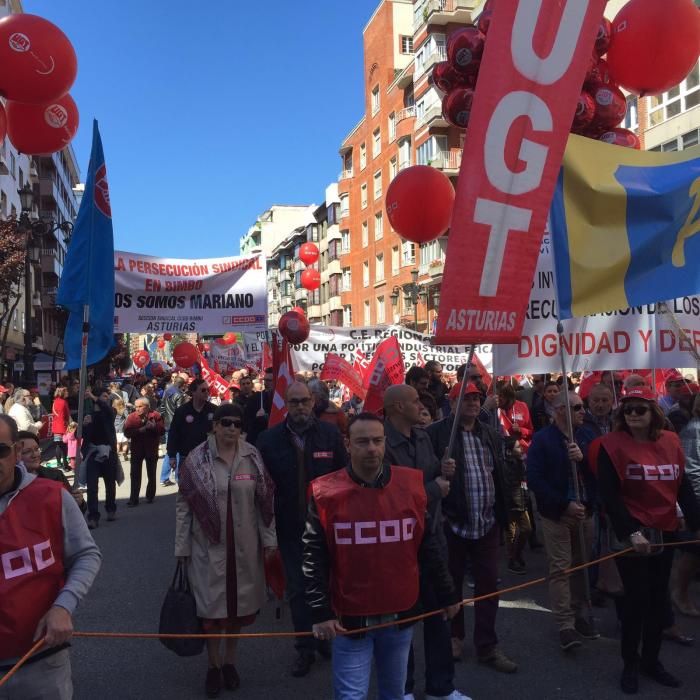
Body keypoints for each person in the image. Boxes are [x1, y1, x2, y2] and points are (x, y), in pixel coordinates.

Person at [303, 412, 461, 700]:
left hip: (398, 614)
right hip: (349, 618)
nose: (372, 448)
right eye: (362, 441)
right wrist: (320, 613)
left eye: (377, 440)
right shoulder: (325, 491)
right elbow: (314, 556)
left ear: (386, 443)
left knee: (395, 693)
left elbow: (428, 547)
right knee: (351, 696)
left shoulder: (410, 486)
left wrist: (447, 594)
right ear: (347, 444)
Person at [597, 387, 700, 693]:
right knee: (636, 602)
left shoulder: (670, 441)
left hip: (664, 530)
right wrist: (631, 532)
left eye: (639, 409)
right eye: (627, 409)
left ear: (652, 412)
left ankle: (651, 661)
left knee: (658, 600)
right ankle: (630, 662)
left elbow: (682, 486)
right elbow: (610, 496)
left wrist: (696, 524)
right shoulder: (611, 445)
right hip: (634, 535)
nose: (632, 415)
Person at [176, 403, 277, 698]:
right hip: (208, 547)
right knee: (212, 611)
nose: (232, 428)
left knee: (237, 609)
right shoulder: (197, 460)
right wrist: (181, 547)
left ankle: (230, 662)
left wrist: (269, 540)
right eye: (226, 423)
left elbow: (265, 503)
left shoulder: (252, 456)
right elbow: (184, 507)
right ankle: (213, 665)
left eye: (237, 423)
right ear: (215, 426)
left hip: (245, 547)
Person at [0, 414, 101, 699]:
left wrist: (63, 606)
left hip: (41, 659)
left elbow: (86, 554)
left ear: (16, 451)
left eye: (0, 450)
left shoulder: (52, 496)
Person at [382, 385, 469, 700]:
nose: (421, 404)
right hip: (400, 545)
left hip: (431, 537)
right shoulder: (382, 444)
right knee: (401, 622)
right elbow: (391, 494)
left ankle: (441, 687)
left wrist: (441, 471)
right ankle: (401, 688)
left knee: (439, 615)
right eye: (415, 400)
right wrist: (435, 489)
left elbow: (429, 474)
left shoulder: (421, 438)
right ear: (396, 407)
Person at [256, 381, 347, 678]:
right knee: (297, 589)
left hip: (326, 527)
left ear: (313, 402)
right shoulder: (268, 440)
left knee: (326, 586)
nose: (299, 407)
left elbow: (345, 476)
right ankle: (304, 647)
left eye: (304, 401)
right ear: (285, 404)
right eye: (294, 401)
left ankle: (325, 638)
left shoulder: (330, 435)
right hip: (290, 527)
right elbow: (262, 487)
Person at [426, 382, 517, 673]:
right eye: (466, 398)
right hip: (453, 522)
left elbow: (500, 473)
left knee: (488, 585)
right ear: (453, 403)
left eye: (477, 398)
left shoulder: (490, 433)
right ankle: (455, 636)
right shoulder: (437, 434)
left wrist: (506, 511)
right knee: (450, 583)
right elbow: (422, 474)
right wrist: (439, 470)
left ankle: (487, 645)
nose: (474, 403)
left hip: (486, 522)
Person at [527, 391, 598, 651]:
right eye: (577, 407)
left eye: (583, 406)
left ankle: (580, 612)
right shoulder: (543, 439)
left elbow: (600, 473)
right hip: (557, 515)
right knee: (561, 568)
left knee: (582, 565)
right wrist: (563, 504)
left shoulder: (588, 436)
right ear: (559, 411)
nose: (583, 412)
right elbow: (534, 479)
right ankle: (565, 624)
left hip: (585, 512)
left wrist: (584, 460)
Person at [82, 386, 123, 529]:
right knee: (92, 486)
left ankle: (111, 509)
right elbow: (79, 436)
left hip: (108, 453)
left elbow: (105, 408)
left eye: (107, 397)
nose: (106, 399)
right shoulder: (88, 414)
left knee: (110, 483)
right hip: (93, 453)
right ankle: (93, 516)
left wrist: (94, 397)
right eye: (104, 396)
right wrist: (84, 425)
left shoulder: (110, 412)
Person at [674, 393, 700, 616]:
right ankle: (679, 594)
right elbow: (691, 472)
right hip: (697, 502)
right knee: (693, 550)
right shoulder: (694, 431)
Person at [164, 379, 216, 486]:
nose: (206, 392)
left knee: (207, 489)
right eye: (203, 390)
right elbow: (174, 433)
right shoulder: (182, 411)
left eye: (208, 390)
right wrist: (172, 455)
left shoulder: (214, 410)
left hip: (208, 457)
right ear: (193, 392)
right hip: (187, 456)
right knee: (186, 490)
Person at [124, 397, 165, 506]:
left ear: (147, 407)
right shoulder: (132, 417)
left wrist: (154, 427)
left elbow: (162, 431)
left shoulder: (155, 415)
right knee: (135, 474)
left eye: (140, 406)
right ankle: (133, 499)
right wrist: (139, 430)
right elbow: (127, 433)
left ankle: (150, 495)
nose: (137, 409)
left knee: (151, 473)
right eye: (136, 407)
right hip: (137, 449)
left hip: (151, 448)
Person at [158, 376, 187, 485]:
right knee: (177, 451)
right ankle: (176, 477)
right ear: (183, 384)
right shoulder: (179, 394)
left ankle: (165, 477)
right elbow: (180, 412)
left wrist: (163, 420)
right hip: (175, 425)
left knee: (170, 451)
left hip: (167, 423)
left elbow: (162, 408)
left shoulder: (167, 391)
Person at [496, 384, 534, 453]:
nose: (498, 398)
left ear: (509, 396)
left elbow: (530, 432)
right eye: (496, 395)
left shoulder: (522, 406)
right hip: (503, 450)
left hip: (521, 450)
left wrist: (520, 430)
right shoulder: (494, 409)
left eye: (501, 395)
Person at [243, 367, 273, 445]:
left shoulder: (283, 400)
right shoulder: (255, 398)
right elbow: (246, 423)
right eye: (265, 380)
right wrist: (257, 419)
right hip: (258, 441)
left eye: (269, 381)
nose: (266, 383)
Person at [52, 387, 71, 471]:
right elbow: (67, 415)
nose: (67, 393)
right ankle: (65, 465)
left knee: (58, 446)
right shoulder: (64, 402)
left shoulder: (55, 401)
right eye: (66, 391)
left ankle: (59, 463)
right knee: (64, 448)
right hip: (63, 427)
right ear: (63, 393)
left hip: (56, 427)